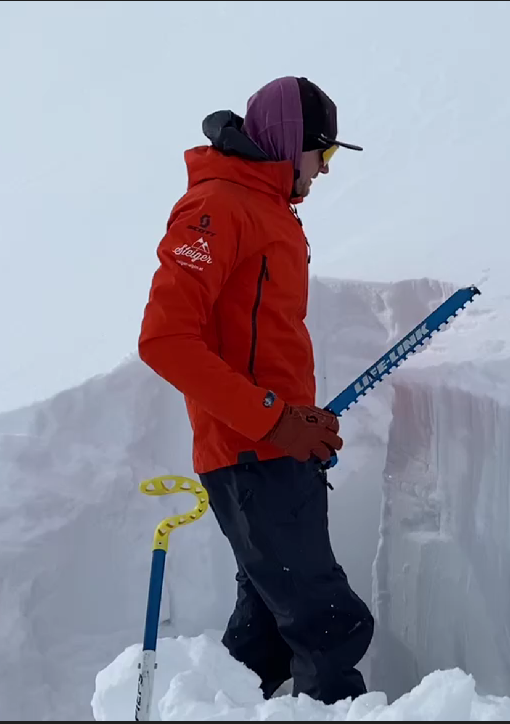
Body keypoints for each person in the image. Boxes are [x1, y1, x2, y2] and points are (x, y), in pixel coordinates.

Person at [136, 75, 374, 705]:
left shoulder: (267, 208)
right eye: (322, 152)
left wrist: (294, 419)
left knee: (267, 628)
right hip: (252, 454)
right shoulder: (217, 208)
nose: (325, 169)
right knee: (328, 624)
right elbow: (165, 339)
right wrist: (272, 418)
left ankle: (215, 707)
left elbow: (261, 336)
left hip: (275, 451)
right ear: (291, 142)